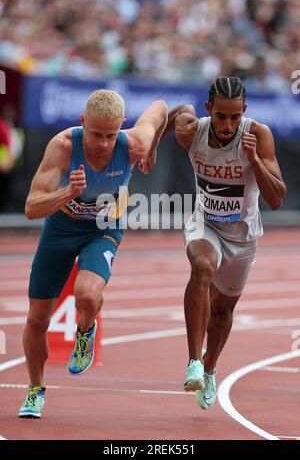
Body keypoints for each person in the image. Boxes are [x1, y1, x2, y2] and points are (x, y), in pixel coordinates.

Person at [19, 89, 168, 418]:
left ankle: (85, 331)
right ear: (82, 122)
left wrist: (152, 149)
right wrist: (67, 192)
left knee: (86, 294)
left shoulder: (133, 145)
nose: (103, 143)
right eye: (96, 134)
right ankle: (35, 389)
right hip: (61, 228)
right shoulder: (63, 146)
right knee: (37, 318)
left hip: (104, 227)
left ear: (122, 127)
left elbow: (159, 108)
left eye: (110, 135)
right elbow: (31, 208)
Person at [168, 77, 286, 409]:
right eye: (221, 116)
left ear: (244, 112)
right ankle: (193, 361)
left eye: (235, 117)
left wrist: (254, 159)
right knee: (201, 268)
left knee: (223, 311)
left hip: (244, 237)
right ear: (209, 110)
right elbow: (170, 115)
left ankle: (209, 367)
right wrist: (148, 149)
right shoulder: (193, 131)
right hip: (205, 224)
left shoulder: (258, 134)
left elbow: (277, 198)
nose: (227, 125)